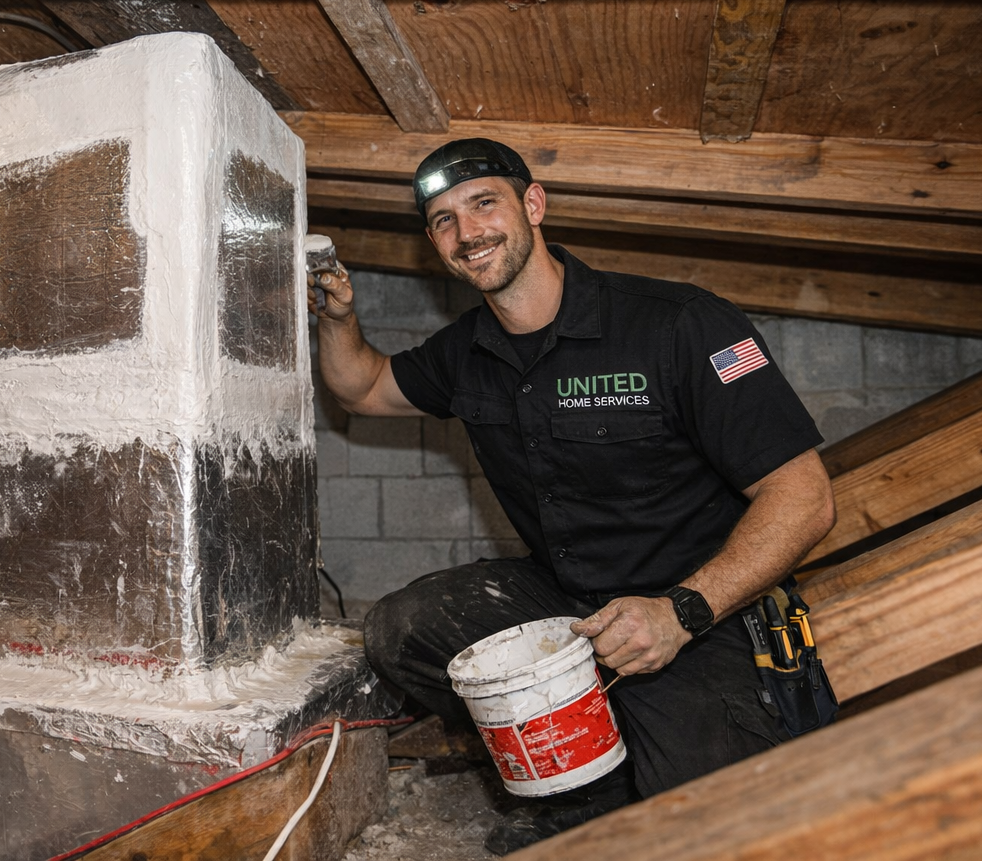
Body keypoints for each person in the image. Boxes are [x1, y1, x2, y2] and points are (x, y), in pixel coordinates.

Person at [308, 138, 835, 853]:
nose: (467, 234)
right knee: (405, 629)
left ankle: (635, 765)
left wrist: (682, 611)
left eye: (483, 204)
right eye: (442, 220)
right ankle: (594, 791)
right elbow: (363, 388)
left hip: (698, 611)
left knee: (711, 828)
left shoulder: (677, 324)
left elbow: (803, 498)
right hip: (567, 596)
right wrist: (337, 318)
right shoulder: (467, 350)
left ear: (533, 204)